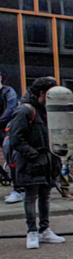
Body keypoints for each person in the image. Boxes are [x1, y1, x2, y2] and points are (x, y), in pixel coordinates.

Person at [8, 77, 65, 249]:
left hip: (47, 162)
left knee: (45, 196)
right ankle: (32, 231)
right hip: (32, 163)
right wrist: (34, 155)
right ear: (42, 94)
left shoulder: (46, 110)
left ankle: (45, 230)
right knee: (31, 197)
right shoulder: (25, 111)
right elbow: (16, 139)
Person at [0, 72, 21, 204]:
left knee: (12, 159)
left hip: (6, 129)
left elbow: (10, 109)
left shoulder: (8, 92)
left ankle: (18, 190)